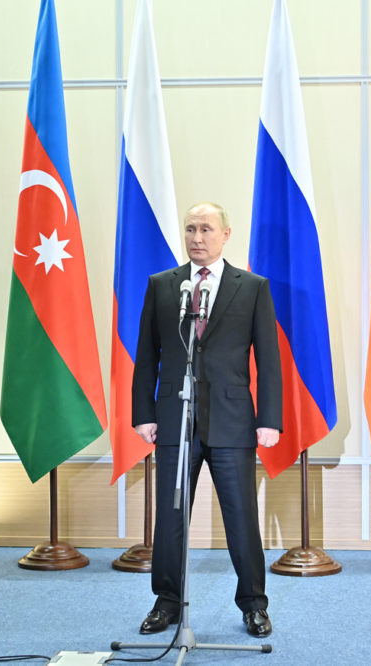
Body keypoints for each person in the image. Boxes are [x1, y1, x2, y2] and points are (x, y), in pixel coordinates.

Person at [131, 202, 282, 638]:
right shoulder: (164, 286)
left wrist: (268, 418)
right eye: (191, 229)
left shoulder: (251, 287)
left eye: (206, 229)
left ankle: (253, 603)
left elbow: (268, 361)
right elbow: (146, 357)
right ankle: (167, 602)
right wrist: (145, 413)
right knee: (171, 516)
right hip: (175, 419)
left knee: (240, 518)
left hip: (233, 421)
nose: (197, 237)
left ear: (226, 234)